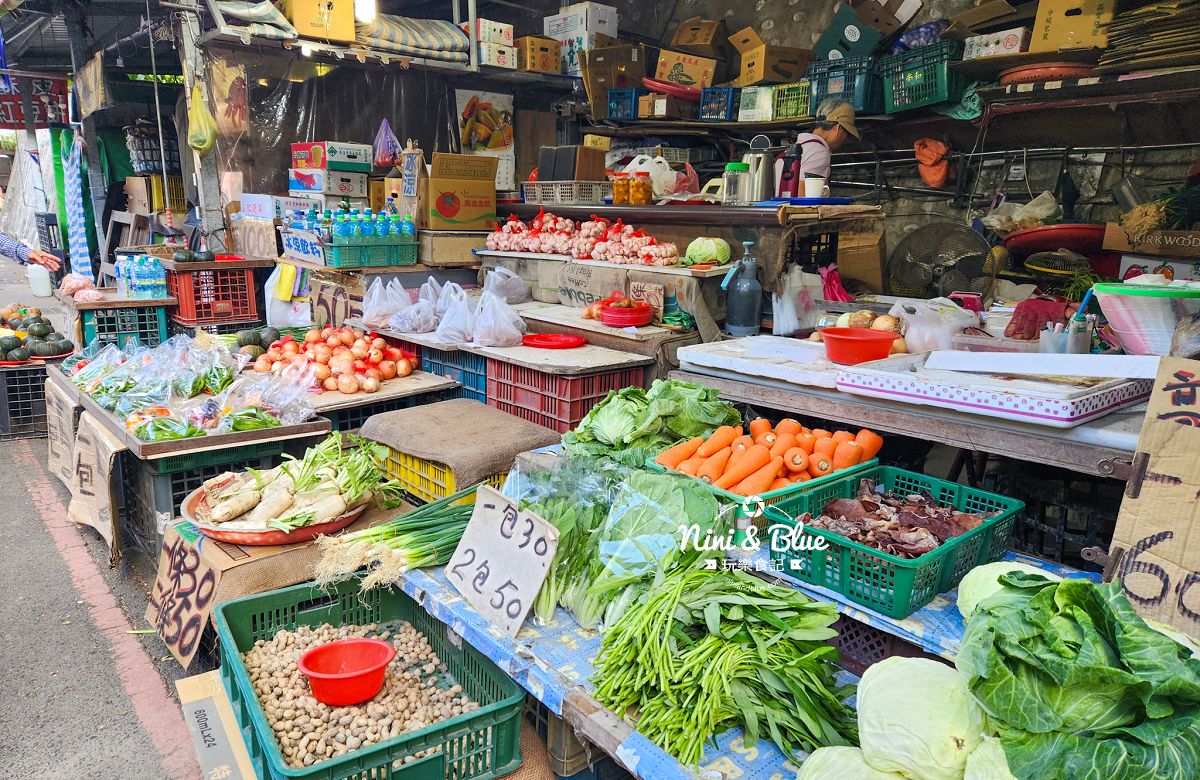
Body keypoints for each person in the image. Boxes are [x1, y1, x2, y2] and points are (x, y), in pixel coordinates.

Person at [792, 98, 860, 182]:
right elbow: (804, 190)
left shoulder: (800, 145)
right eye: (846, 133)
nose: (845, 139)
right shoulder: (819, 153)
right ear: (838, 128)